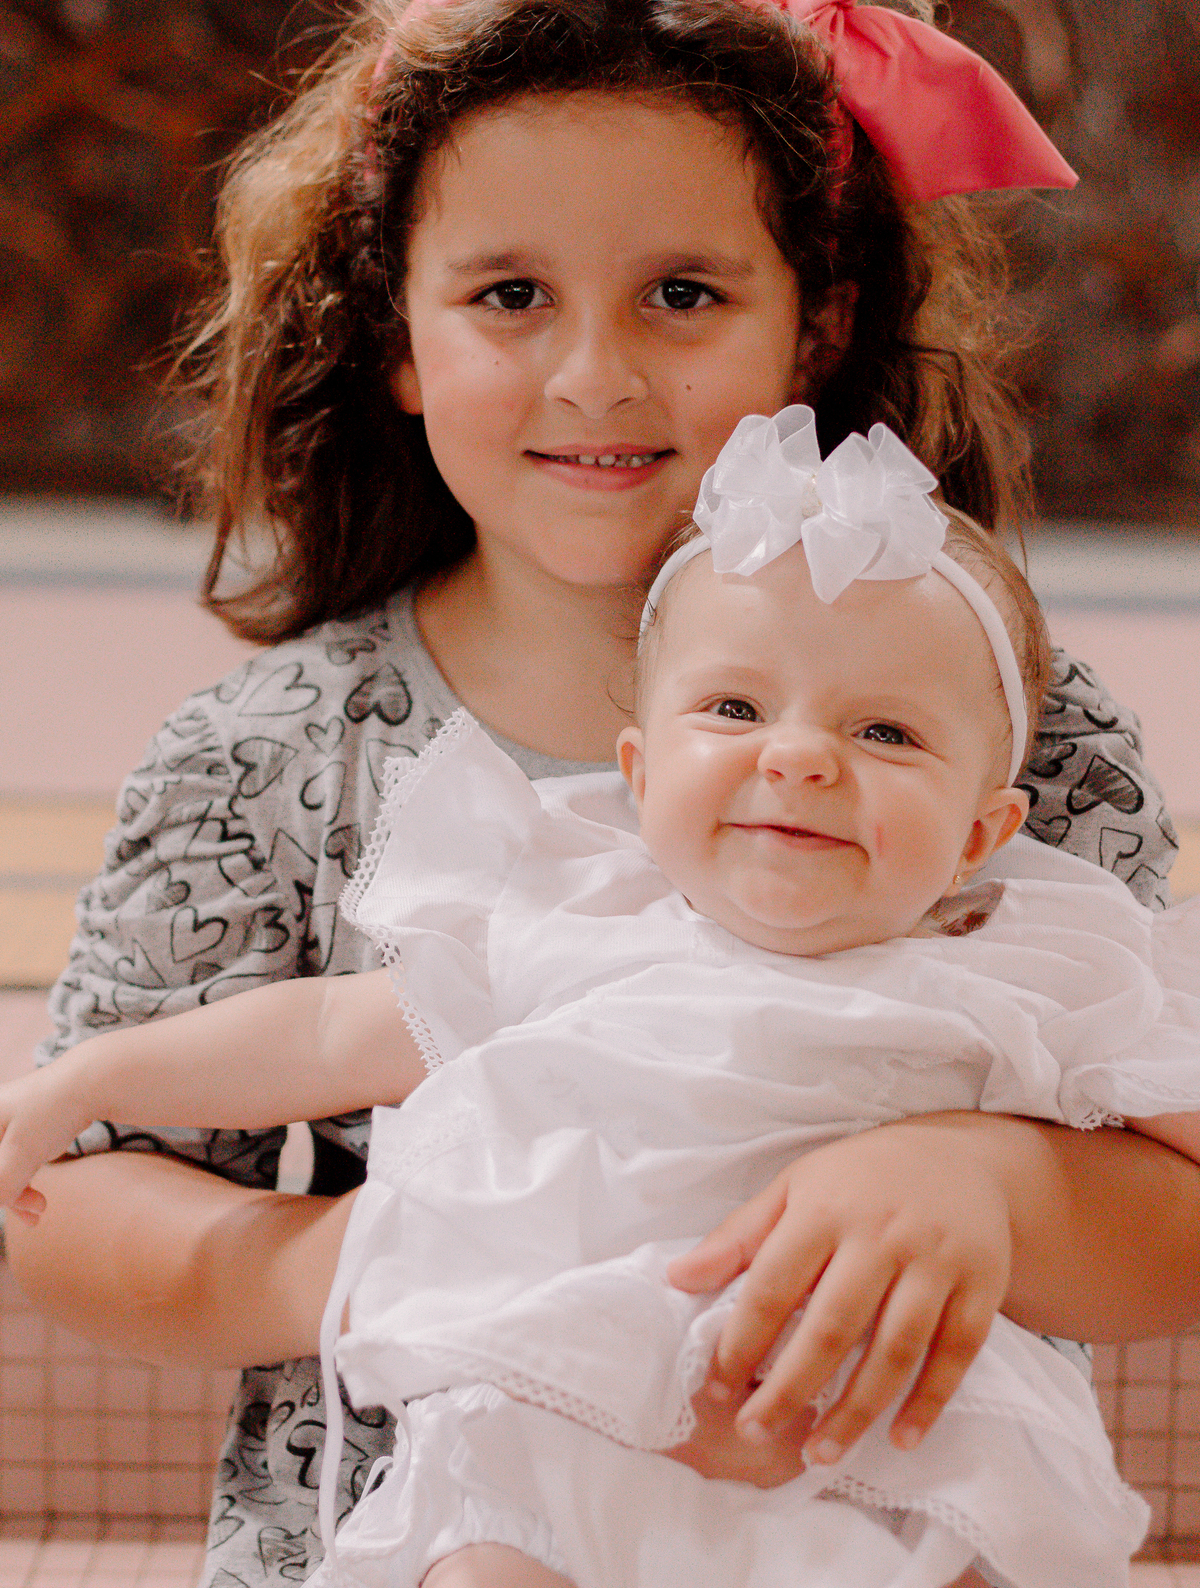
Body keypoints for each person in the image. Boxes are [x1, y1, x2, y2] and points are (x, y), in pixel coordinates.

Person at [5, 0, 1196, 1588]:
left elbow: (1173, 1199)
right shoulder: (271, 755)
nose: (594, 376)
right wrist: (436, 1258)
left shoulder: (1010, 735)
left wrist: (981, 1187)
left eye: (683, 294)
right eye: (509, 296)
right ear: (398, 337)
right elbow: (80, 1201)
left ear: (817, 325)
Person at [3, 408, 1198, 1588]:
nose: (797, 756)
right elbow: (321, 1035)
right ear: (638, 771)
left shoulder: (1032, 962)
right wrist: (99, 1076)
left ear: (984, 832)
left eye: (884, 731)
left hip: (886, 1432)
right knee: (484, 1562)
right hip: (570, 1405)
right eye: (734, 710)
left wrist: (985, 1184)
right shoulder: (580, 922)